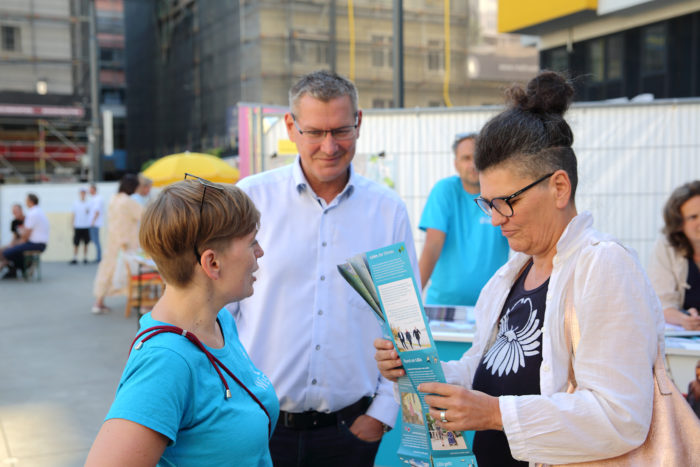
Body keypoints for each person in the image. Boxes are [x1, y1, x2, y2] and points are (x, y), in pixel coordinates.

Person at [375, 71, 664, 466]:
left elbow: (621, 416)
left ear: (559, 187)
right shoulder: (510, 276)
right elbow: (481, 373)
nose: (495, 219)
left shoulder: (603, 265)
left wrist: (494, 415)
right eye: (488, 203)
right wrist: (416, 369)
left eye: (506, 201)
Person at [232, 69, 418, 467]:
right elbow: (218, 311)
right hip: (256, 429)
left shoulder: (387, 211)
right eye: (315, 132)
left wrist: (381, 415)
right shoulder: (250, 199)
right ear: (291, 127)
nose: (329, 146)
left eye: (340, 131)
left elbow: (404, 322)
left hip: (350, 434)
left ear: (359, 123)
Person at [85, 178, 278, 465]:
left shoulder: (220, 322)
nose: (260, 252)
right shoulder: (167, 361)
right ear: (212, 263)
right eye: (252, 242)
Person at [419, 132, 509, 307]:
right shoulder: (444, 190)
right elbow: (433, 244)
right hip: (444, 307)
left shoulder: (501, 193)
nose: (473, 164)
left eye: (477, 157)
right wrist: (412, 300)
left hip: (492, 306)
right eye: (466, 158)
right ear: (456, 164)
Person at [647, 180, 700, 330]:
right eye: (693, 217)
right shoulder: (666, 247)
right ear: (679, 223)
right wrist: (684, 319)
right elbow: (661, 304)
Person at [91, 174, 143, 314]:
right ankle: (138, 302)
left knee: (106, 270)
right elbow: (144, 215)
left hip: (113, 241)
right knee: (132, 271)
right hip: (127, 243)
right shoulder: (128, 202)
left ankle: (99, 302)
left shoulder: (113, 199)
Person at [0, 193, 50, 279]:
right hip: (38, 242)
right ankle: (14, 270)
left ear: (30, 201)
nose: (25, 202)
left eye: (26, 200)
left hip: (35, 243)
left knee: (6, 252)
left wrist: (15, 245)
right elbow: (18, 236)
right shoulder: (39, 212)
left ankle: (24, 267)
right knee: (8, 251)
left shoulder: (32, 214)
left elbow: (26, 236)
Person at [69, 188, 92, 264]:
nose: (83, 195)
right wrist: (72, 224)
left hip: (86, 226)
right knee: (76, 243)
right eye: (81, 193)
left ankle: (85, 258)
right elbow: (73, 214)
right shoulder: (75, 203)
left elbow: (90, 214)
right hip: (78, 226)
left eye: (84, 193)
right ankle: (75, 258)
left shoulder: (88, 204)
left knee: (86, 243)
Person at [88, 184, 104, 263]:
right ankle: (98, 257)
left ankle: (99, 257)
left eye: (90, 189)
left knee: (96, 240)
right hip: (93, 223)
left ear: (94, 189)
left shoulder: (98, 199)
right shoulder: (94, 198)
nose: (89, 191)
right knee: (95, 240)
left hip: (95, 223)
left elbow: (97, 211)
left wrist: (93, 222)